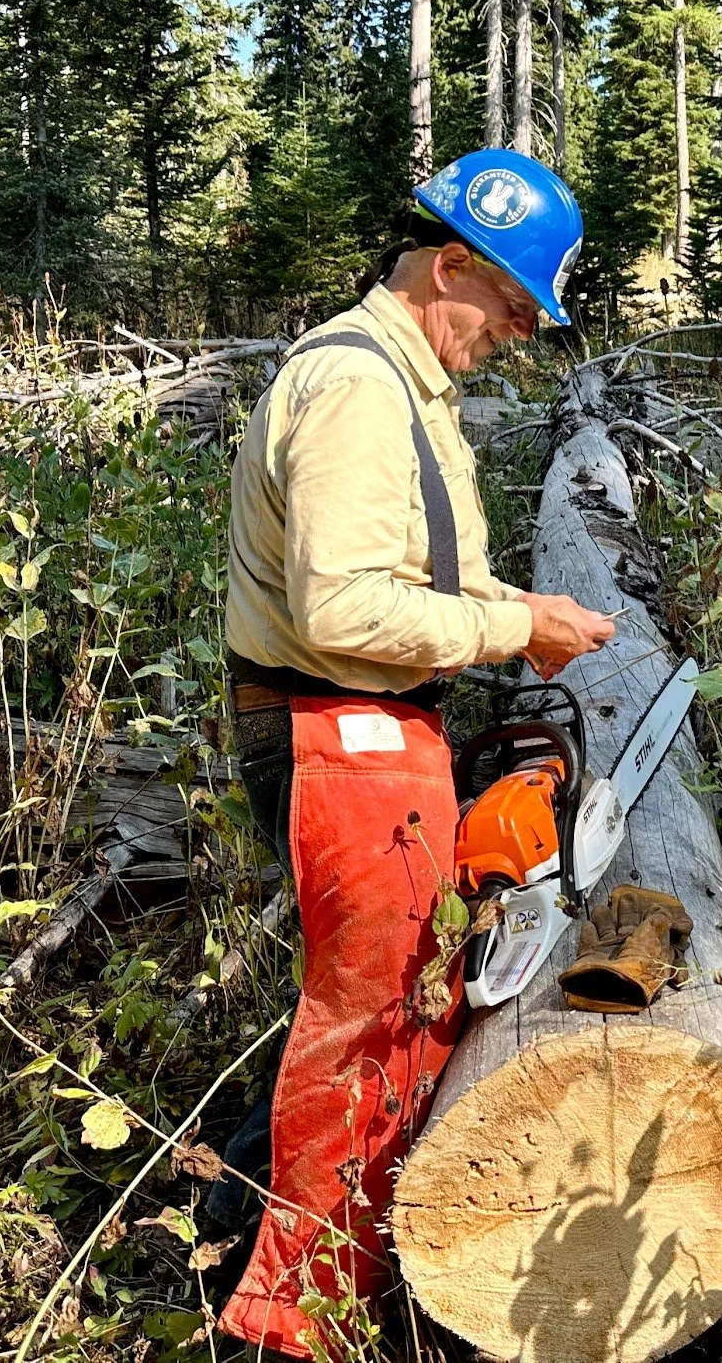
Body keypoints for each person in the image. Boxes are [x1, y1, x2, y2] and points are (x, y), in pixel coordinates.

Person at [216, 149, 616, 1357]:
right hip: (333, 725)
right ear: (452, 265)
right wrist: (514, 624)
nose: (511, 336)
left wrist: (513, 614)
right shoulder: (353, 386)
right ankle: (293, 1323)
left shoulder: (406, 386)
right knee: (367, 1026)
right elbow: (340, 609)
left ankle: (281, 1240)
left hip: (376, 727)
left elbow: (413, 575)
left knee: (401, 1005)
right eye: (506, 309)